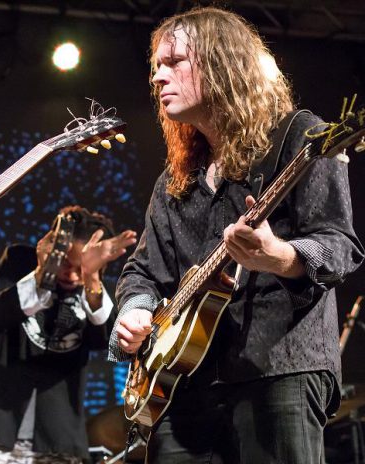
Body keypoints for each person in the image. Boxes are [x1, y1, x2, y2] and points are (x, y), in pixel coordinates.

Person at [109, 7, 364, 464]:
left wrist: (279, 256)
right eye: (155, 68)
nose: (158, 77)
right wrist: (134, 310)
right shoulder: (176, 180)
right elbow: (142, 271)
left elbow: (340, 244)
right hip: (183, 384)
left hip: (279, 368)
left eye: (174, 62)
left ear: (221, 64)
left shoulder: (300, 138)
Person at [0, 205, 137, 463]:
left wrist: (91, 277)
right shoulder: (18, 262)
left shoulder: (95, 289)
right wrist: (42, 274)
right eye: (65, 263)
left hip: (58, 442)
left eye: (80, 267)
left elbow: (109, 342)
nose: (71, 274)